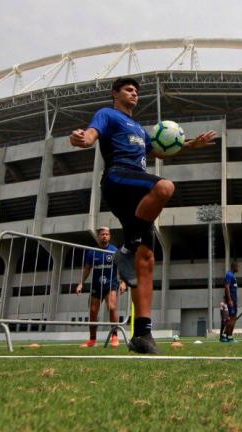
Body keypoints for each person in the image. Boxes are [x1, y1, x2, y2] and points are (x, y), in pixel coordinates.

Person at [70, 77, 217, 354]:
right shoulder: (107, 114)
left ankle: (142, 334)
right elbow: (90, 135)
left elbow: (160, 150)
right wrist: (80, 138)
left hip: (138, 193)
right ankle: (126, 248)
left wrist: (191, 145)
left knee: (147, 258)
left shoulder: (139, 128)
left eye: (137, 91)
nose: (134, 93)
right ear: (115, 94)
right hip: (118, 178)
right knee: (165, 187)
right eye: (129, 89)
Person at [76, 227, 127, 348]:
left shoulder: (114, 251)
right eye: (102, 234)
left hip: (111, 284)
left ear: (109, 236)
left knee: (112, 307)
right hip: (96, 286)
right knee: (93, 311)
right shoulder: (92, 252)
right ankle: (92, 340)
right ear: (98, 236)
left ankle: (114, 336)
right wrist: (81, 283)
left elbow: (121, 267)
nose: (104, 236)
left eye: (107, 234)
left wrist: (124, 282)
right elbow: (87, 269)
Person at [221, 261, 240, 343]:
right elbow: (227, 287)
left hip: (233, 300)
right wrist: (229, 300)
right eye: (238, 267)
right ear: (234, 267)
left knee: (232, 319)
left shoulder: (233, 276)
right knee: (232, 319)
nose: (239, 268)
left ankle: (224, 336)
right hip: (231, 301)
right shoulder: (229, 274)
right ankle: (229, 337)